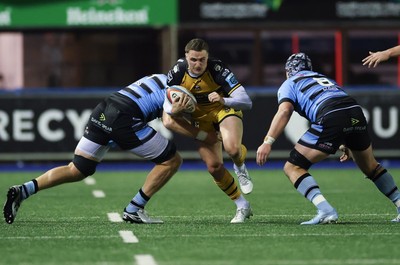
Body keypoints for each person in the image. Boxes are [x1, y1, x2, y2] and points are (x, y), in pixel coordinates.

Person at [3, 74, 197, 225]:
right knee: (171, 160)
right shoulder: (176, 89)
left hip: (104, 109)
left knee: (77, 169)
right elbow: (169, 120)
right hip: (125, 119)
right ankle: (134, 209)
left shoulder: (158, 77)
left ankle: (23, 190)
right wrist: (204, 134)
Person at [256, 52, 400, 225]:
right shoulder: (324, 78)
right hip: (355, 110)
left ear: (288, 71)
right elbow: (339, 104)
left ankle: (325, 210)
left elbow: (285, 111)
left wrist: (268, 141)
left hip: (331, 115)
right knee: (371, 167)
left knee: (293, 167)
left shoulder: (289, 83)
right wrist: (345, 138)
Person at [162, 38, 253, 223]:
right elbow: (168, 109)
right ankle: (242, 205)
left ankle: (240, 166)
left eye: (202, 59)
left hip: (223, 109)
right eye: (193, 59)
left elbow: (246, 101)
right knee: (214, 167)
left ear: (207, 57)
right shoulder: (176, 73)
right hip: (200, 120)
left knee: (233, 149)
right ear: (186, 57)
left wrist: (223, 100)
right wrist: (175, 110)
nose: (198, 64)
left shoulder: (217, 69)